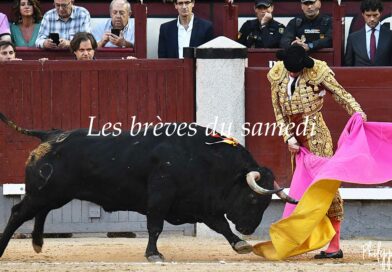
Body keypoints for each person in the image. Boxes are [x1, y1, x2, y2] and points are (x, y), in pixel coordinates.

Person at [269, 45, 367, 259]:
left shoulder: (317, 71)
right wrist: (289, 137)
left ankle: (334, 245)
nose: (292, 73)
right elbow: (278, 112)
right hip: (296, 138)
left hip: (316, 135)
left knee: (326, 186)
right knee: (302, 188)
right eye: (290, 70)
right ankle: (304, 238)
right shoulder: (278, 74)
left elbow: (341, 95)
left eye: (295, 70)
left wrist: (358, 113)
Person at [344, 0, 392, 66]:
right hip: (359, 76)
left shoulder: (390, 36)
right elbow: (348, 65)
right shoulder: (353, 38)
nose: (372, 19)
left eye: (375, 15)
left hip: (384, 76)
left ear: (380, 13)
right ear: (363, 14)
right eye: (368, 15)